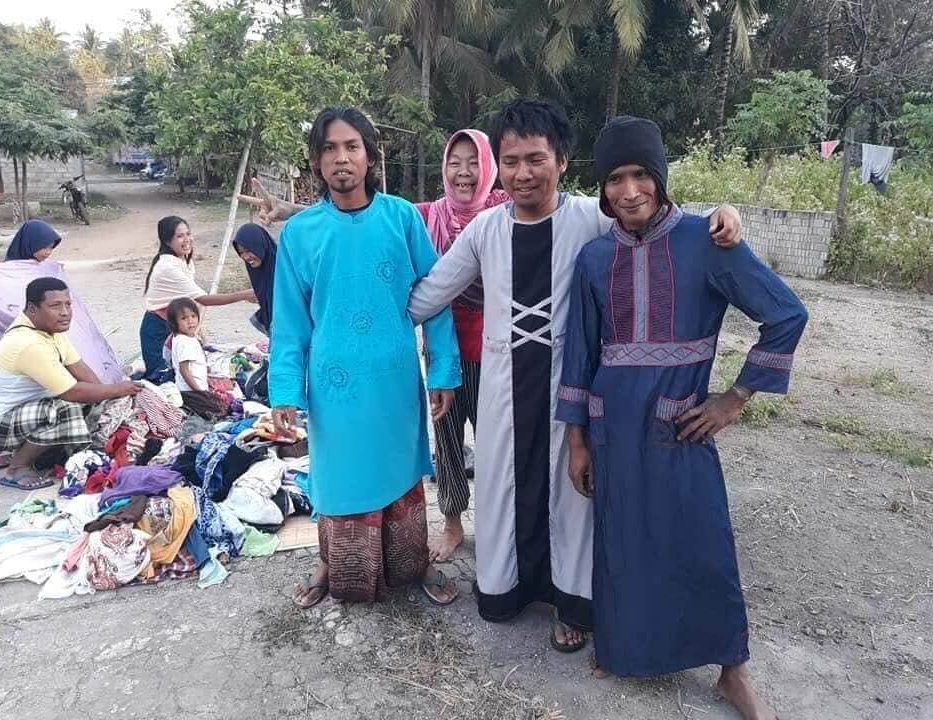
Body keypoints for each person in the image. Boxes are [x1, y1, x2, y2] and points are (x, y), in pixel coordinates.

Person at [407, 98, 744, 654]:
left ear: (562, 160)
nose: (522, 173)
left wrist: (726, 213)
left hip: (573, 391)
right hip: (502, 391)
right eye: (511, 160)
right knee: (503, 488)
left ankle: (570, 602)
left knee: (571, 497)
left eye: (535, 158)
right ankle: (505, 589)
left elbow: (659, 217)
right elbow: (428, 296)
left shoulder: (589, 215)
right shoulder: (487, 230)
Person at [557, 116, 807, 720]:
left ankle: (732, 669)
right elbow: (580, 353)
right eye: (615, 177)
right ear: (602, 189)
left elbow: (786, 314)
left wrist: (733, 398)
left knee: (703, 540)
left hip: (679, 424)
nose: (629, 189)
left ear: (661, 178)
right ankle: (626, 649)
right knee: (624, 540)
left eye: (641, 173)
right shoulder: (593, 259)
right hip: (613, 426)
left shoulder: (707, 241)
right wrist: (578, 442)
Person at [269, 106, 462, 610]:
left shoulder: (401, 218)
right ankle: (334, 565)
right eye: (329, 149)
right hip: (333, 384)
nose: (341, 159)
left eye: (352, 146)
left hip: (395, 378)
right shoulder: (300, 233)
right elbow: (289, 321)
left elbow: (436, 296)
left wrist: (442, 369)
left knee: (400, 468)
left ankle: (413, 563)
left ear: (370, 157)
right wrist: (285, 390)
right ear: (316, 162)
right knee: (338, 473)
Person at [415, 129, 510, 562]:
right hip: (444, 353)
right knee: (448, 437)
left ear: (488, 167)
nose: (464, 172)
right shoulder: (427, 215)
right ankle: (452, 524)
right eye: (455, 162)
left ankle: (498, 526)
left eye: (474, 162)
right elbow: (367, 216)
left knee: (498, 443)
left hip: (498, 351)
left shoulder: (507, 210)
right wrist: (288, 209)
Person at [0, 278, 140, 490]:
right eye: (55, 306)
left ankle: (37, 452)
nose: (65, 312)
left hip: (16, 414)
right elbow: (71, 392)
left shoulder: (50, 330)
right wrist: (116, 390)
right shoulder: (27, 342)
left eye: (68, 304)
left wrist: (104, 396)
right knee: (67, 407)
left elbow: (84, 373)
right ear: (33, 309)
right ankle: (17, 467)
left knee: (88, 400)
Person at [139, 216, 256, 380]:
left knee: (185, 372)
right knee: (165, 379)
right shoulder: (168, 267)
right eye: (180, 236)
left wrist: (199, 335)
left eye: (188, 234)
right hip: (159, 329)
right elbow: (203, 299)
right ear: (167, 241)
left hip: (176, 324)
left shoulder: (183, 260)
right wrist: (244, 295)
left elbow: (191, 303)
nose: (187, 240)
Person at [167, 297, 229, 420]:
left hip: (194, 388)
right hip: (190, 391)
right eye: (184, 318)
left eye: (193, 316)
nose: (190, 321)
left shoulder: (186, 337)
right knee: (219, 411)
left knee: (221, 405)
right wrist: (200, 392)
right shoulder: (184, 342)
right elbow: (184, 370)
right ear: (175, 322)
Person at [232, 223, 277, 336]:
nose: (245, 257)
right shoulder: (258, 272)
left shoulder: (283, 269)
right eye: (241, 252)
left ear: (259, 245)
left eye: (248, 250)